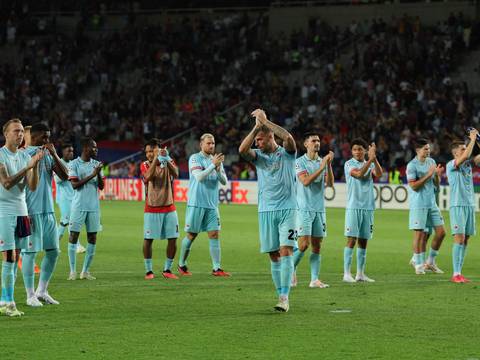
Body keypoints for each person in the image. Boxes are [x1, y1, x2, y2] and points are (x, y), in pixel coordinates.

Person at [239, 109, 297, 312]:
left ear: (271, 137)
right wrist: (256, 127)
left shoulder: (287, 153)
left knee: (285, 250)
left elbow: (288, 137)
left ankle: (284, 297)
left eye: (260, 139)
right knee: (274, 254)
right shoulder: (259, 157)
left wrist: (266, 122)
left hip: (288, 208)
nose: (257, 143)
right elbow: (241, 150)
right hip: (266, 210)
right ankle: (281, 289)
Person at [23, 123, 68, 307]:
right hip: (30, 211)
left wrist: (55, 153)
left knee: (53, 252)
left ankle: (42, 291)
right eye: (44, 137)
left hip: (48, 211)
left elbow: (65, 176)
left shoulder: (49, 155)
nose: (47, 141)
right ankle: (29, 294)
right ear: (34, 137)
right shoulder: (24, 155)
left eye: (49, 137)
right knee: (30, 253)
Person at [0, 119, 42, 316]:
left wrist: (36, 166)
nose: (19, 134)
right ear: (6, 134)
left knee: (15, 256)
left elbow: (32, 186)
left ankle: (5, 300)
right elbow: (7, 183)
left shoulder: (25, 156)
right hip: (4, 212)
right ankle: (7, 302)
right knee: (9, 258)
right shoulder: (0, 155)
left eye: (20, 131)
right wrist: (28, 167)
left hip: (22, 211)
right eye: (15, 131)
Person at [178, 133, 230, 277]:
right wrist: (213, 165)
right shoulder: (195, 158)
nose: (211, 145)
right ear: (201, 144)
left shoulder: (216, 161)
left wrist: (218, 168)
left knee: (214, 234)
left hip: (212, 205)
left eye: (213, 143)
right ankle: (181, 264)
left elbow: (224, 181)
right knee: (191, 235)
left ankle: (216, 268)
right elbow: (199, 177)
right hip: (197, 203)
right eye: (208, 143)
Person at [293, 132, 334, 288]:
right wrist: (322, 166)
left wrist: (328, 165)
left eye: (318, 140)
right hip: (303, 209)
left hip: (319, 209)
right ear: (306, 144)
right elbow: (305, 181)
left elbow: (329, 184)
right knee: (303, 245)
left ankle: (314, 279)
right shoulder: (299, 162)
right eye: (313, 141)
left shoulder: (321, 161)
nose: (317, 143)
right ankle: (291, 269)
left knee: (317, 245)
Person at [343, 139, 383, 283]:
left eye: (360, 149)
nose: (358, 152)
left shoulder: (370, 162)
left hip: (368, 206)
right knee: (351, 240)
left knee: (363, 241)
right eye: (355, 149)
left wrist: (374, 158)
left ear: (365, 151)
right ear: (352, 152)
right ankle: (347, 273)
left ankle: (360, 274)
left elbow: (379, 173)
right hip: (354, 206)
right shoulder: (349, 164)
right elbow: (359, 175)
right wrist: (370, 160)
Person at [140, 139, 179, 280]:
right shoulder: (144, 165)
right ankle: (148, 271)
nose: (149, 154)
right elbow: (148, 177)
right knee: (148, 239)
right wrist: (157, 159)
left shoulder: (168, 160)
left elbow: (176, 174)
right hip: (152, 208)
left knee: (173, 239)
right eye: (147, 152)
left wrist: (167, 159)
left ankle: (167, 269)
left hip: (169, 206)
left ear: (159, 149)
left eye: (152, 151)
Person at [67, 137, 104, 280]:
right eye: (93, 147)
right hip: (78, 206)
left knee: (92, 237)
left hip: (94, 207)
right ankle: (72, 271)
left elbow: (101, 186)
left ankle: (85, 271)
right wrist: (93, 175)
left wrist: (99, 174)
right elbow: (75, 185)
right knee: (73, 236)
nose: (96, 149)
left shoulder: (97, 164)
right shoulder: (74, 164)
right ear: (85, 148)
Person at [406, 138, 445, 275]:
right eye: (426, 149)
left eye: (429, 148)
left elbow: (435, 184)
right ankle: (418, 263)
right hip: (419, 204)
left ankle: (430, 261)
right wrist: (429, 175)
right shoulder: (412, 165)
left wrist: (436, 176)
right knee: (420, 234)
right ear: (418, 150)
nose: (428, 151)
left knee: (441, 232)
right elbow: (413, 186)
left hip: (431, 203)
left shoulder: (432, 162)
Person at [446, 129, 480, 283]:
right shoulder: (451, 165)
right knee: (459, 239)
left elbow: (475, 158)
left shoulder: (467, 164)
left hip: (469, 206)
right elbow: (467, 155)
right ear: (455, 153)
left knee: (466, 239)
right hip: (457, 205)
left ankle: (459, 272)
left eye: (465, 148)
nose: (466, 151)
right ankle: (455, 273)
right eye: (462, 149)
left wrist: (478, 140)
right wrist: (472, 139)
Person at [55, 144, 86, 253]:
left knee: (65, 221)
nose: (71, 153)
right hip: (63, 198)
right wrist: (69, 174)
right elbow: (58, 180)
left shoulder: (73, 164)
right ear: (62, 152)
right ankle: (76, 245)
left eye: (72, 151)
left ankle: (55, 245)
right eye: (68, 151)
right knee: (70, 220)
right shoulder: (59, 163)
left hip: (73, 197)